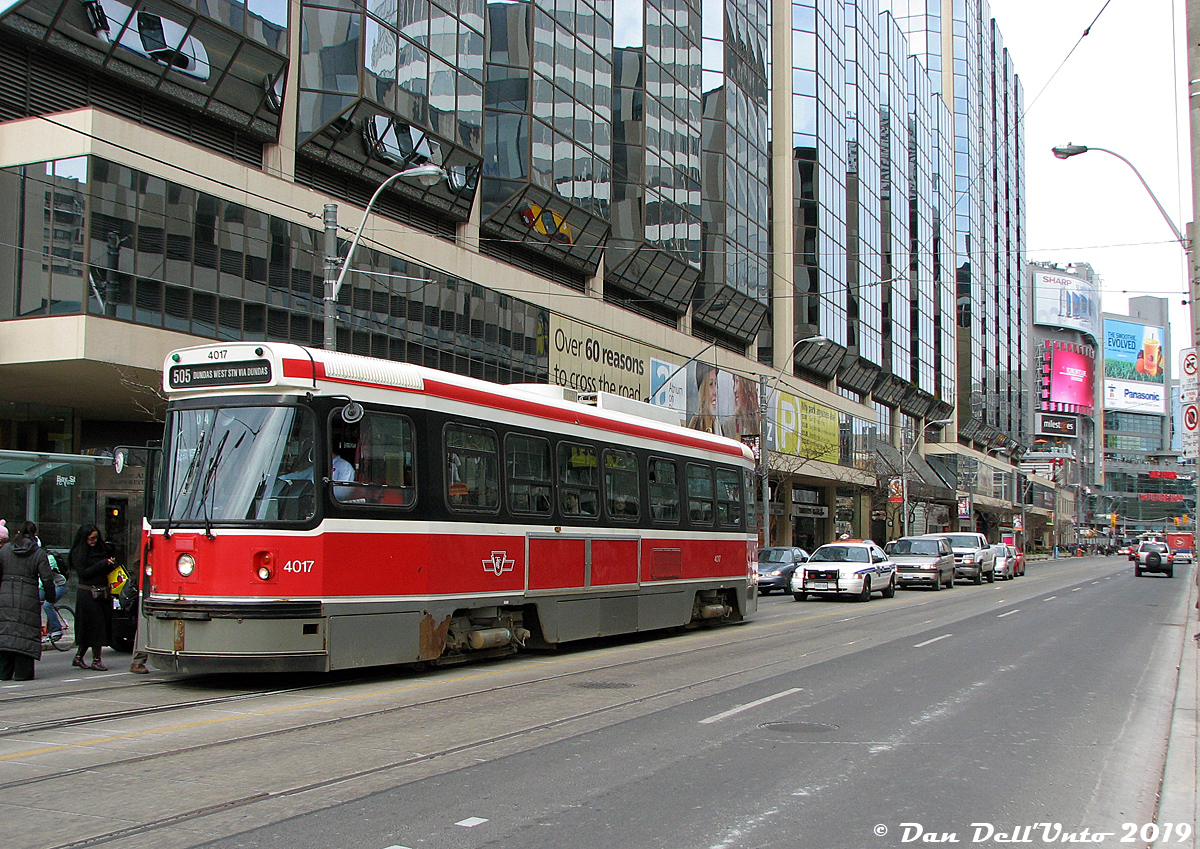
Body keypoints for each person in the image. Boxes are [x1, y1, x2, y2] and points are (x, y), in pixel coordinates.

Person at [0, 521, 57, 680]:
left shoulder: (4, 550)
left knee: (6, 632)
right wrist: (50, 597)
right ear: (34, 534)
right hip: (28, 596)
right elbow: (47, 579)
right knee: (26, 632)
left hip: (5, 595)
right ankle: (22, 672)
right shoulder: (38, 553)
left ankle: (4, 671)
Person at [69, 523, 116, 671]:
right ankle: (95, 659)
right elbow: (84, 573)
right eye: (91, 538)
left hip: (101, 592)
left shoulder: (100, 549)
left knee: (97, 626)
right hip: (88, 593)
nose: (94, 541)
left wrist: (109, 564)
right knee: (92, 626)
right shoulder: (79, 552)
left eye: (95, 538)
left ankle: (79, 657)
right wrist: (103, 563)